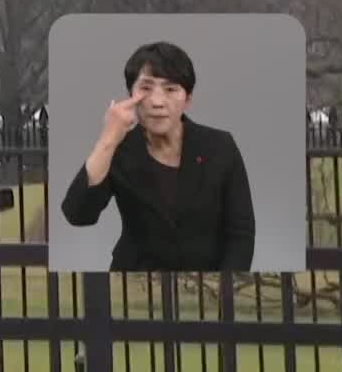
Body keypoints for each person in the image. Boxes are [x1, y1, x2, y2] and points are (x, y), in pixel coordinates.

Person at [59, 41, 255, 271]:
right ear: (130, 94)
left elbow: (241, 233)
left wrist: (224, 287)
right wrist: (108, 139)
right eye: (145, 88)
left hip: (204, 285)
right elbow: (78, 214)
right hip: (134, 281)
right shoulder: (120, 149)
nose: (157, 102)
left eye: (171, 89)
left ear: (188, 98)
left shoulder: (220, 146)